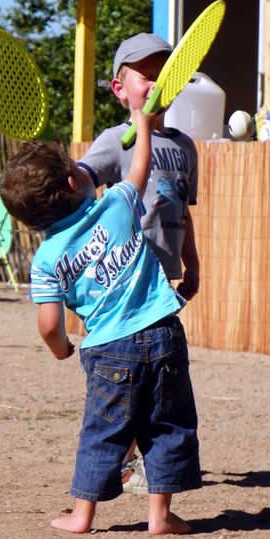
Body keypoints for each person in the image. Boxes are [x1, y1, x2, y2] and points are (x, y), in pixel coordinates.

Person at [0, 111, 202, 535]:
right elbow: (141, 170)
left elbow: (49, 323)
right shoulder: (116, 204)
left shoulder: (46, 260)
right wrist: (143, 127)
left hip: (109, 350)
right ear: (76, 183)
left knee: (102, 432)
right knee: (167, 426)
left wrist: (61, 348)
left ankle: (82, 515)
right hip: (163, 334)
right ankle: (160, 516)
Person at [77, 32, 201, 491]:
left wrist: (193, 265)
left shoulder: (185, 146)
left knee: (158, 378)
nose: (155, 83)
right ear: (119, 88)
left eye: (164, 73)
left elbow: (181, 210)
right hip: (124, 286)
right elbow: (82, 180)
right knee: (125, 373)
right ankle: (118, 460)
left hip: (163, 283)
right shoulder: (114, 141)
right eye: (145, 76)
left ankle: (140, 456)